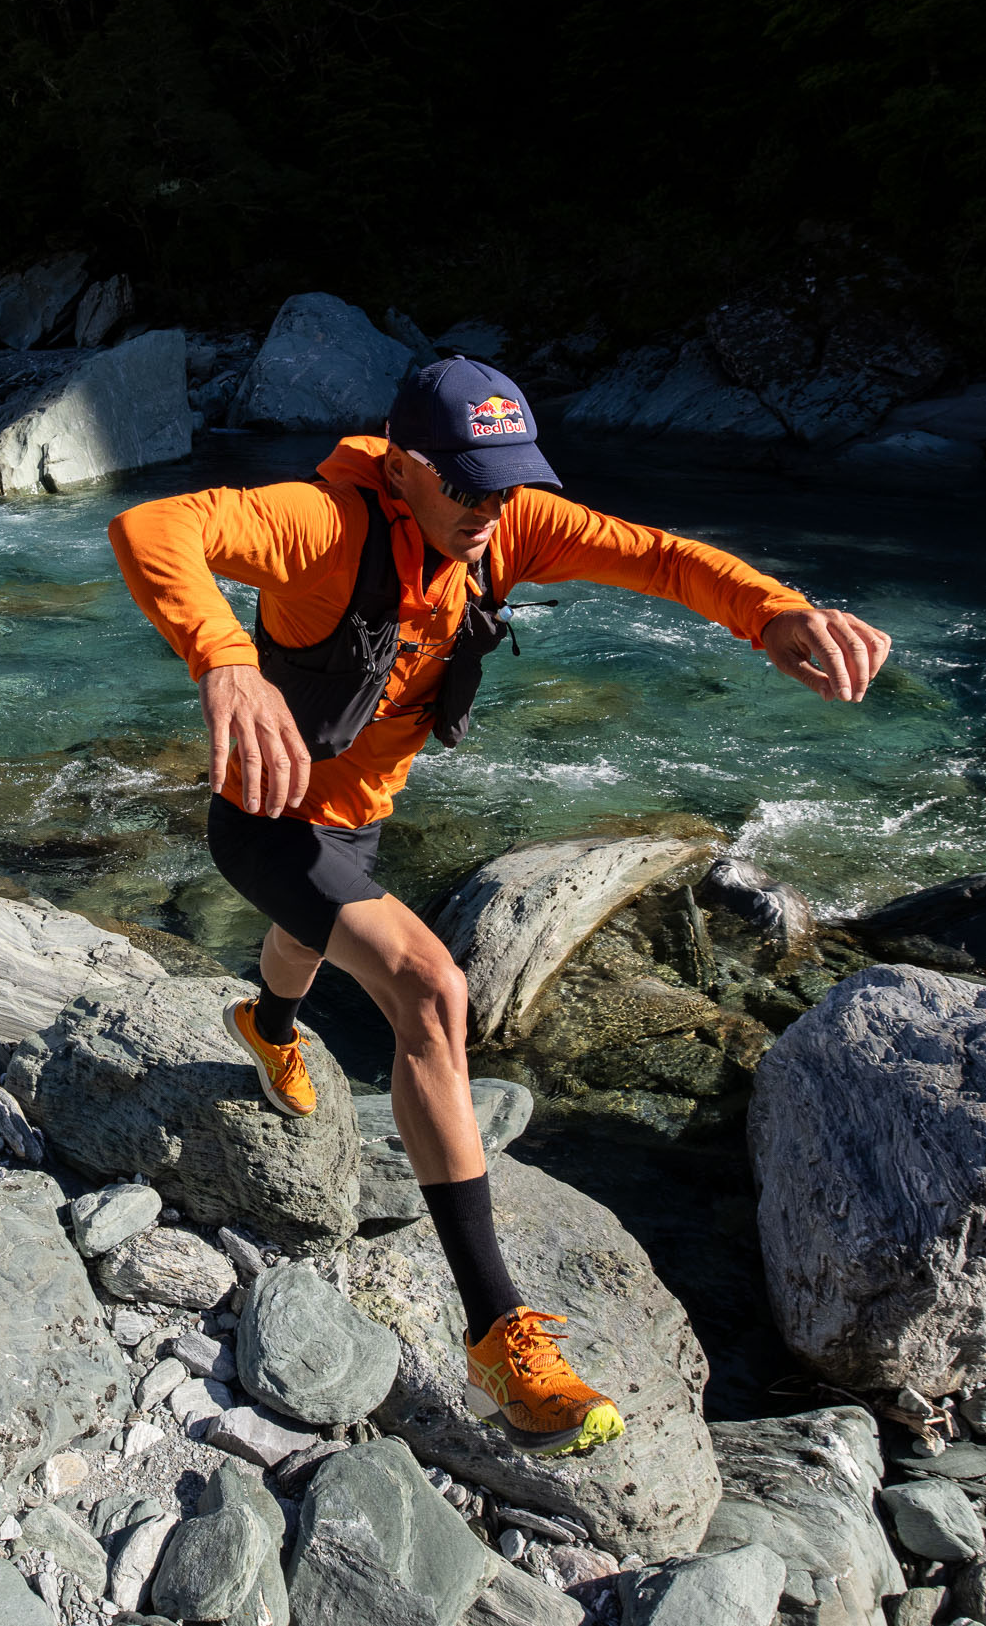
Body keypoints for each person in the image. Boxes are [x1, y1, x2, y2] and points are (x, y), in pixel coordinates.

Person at [106, 355, 891, 1456]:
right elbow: (152, 525)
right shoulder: (322, 525)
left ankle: (266, 1023)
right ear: (405, 468)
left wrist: (774, 613)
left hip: (355, 815)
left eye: (509, 481)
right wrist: (223, 659)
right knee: (430, 987)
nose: (492, 507)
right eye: (468, 484)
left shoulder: (508, 527)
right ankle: (496, 1336)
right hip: (266, 813)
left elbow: (661, 558)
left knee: (313, 936)